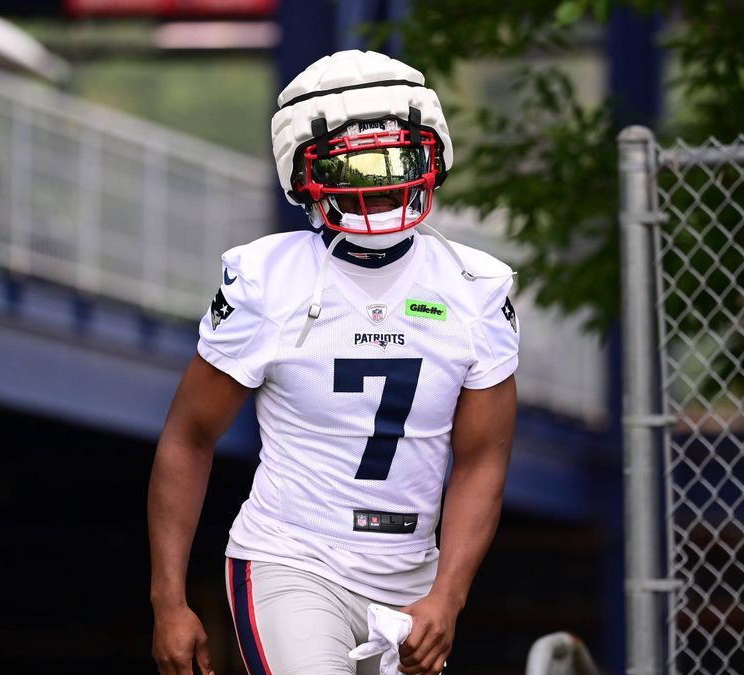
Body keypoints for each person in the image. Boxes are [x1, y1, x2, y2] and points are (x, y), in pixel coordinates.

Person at [148, 49, 520, 675]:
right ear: (304, 171)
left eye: (394, 159)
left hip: (412, 576)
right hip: (290, 559)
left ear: (431, 155)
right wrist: (167, 601)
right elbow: (188, 437)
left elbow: (483, 459)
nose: (380, 181)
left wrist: (448, 596)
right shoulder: (267, 280)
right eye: (357, 165)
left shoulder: (476, 287)